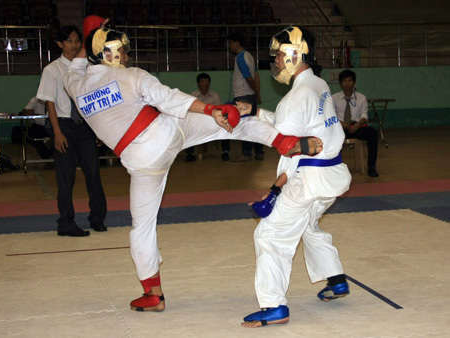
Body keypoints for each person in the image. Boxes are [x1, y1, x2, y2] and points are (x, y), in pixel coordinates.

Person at [65, 24, 323, 314]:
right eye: (122, 50)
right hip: (164, 130)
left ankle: (153, 294)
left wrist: (89, 37)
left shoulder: (76, 87)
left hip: (141, 161)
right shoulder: (131, 76)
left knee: (142, 226)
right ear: (108, 52)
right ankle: (284, 141)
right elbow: (168, 97)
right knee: (231, 121)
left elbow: (75, 69)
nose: (126, 55)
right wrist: (211, 109)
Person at [240, 26, 352, 328]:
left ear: (293, 54)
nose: (274, 61)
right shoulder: (317, 84)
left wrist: (275, 191)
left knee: (269, 235)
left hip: (308, 181)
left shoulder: (293, 98)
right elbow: (299, 125)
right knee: (307, 225)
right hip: (333, 176)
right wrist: (256, 112)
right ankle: (337, 280)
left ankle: (273, 306)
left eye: (277, 54)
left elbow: (291, 151)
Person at [37, 25, 107, 237]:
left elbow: (93, 100)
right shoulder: (52, 69)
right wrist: (57, 133)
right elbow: (50, 103)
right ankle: (66, 223)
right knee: (66, 177)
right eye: (70, 41)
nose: (74, 45)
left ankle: (97, 218)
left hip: (85, 125)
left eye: (77, 41)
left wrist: (98, 129)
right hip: (64, 125)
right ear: (60, 44)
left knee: (93, 173)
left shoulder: (86, 67)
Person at [332, 69, 379, 177]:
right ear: (340, 83)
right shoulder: (334, 98)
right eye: (344, 81)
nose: (347, 84)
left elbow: (364, 116)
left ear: (354, 83)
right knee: (327, 134)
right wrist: (342, 124)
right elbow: (332, 115)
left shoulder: (362, 98)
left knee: (372, 133)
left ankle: (371, 167)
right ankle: (333, 168)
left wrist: (357, 125)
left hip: (356, 127)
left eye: (350, 81)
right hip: (340, 128)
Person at [228, 31, 264, 162]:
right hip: (250, 95)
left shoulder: (240, 58)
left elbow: (249, 78)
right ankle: (259, 152)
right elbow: (256, 76)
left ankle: (246, 153)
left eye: (230, 43)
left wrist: (254, 89)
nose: (229, 46)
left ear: (236, 43)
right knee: (253, 124)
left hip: (242, 95)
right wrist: (257, 93)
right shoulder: (249, 56)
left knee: (245, 125)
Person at [184, 72, 223, 162]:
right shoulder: (193, 96)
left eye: (207, 81)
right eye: (202, 81)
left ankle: (225, 152)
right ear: (198, 83)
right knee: (187, 128)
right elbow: (189, 111)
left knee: (225, 126)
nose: (205, 84)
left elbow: (219, 111)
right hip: (196, 122)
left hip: (212, 122)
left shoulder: (215, 95)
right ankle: (190, 154)